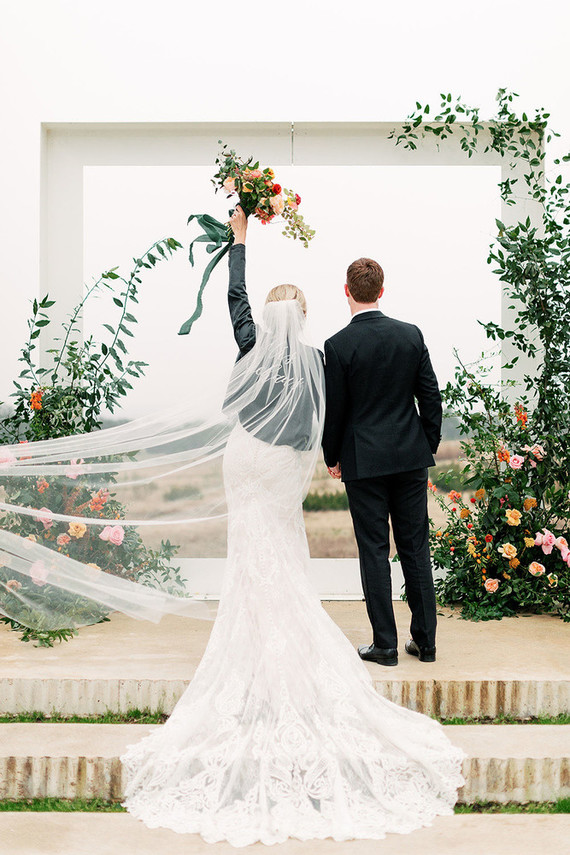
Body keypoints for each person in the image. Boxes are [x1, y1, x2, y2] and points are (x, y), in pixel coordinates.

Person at [119, 207, 464, 846]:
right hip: (320, 463)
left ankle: (367, 640)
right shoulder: (321, 354)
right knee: (378, 546)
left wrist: (240, 237)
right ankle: (418, 637)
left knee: (280, 550)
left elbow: (237, 302)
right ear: (307, 314)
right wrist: (380, 446)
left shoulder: (259, 347)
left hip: (246, 459)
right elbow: (344, 411)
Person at [322, 257, 442, 667]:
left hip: (364, 463)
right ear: (382, 290)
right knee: (416, 549)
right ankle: (426, 643)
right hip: (410, 459)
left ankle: (386, 646)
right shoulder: (410, 336)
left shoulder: (337, 345)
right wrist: (424, 445)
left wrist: (332, 456)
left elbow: (335, 410)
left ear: (347, 291)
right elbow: (431, 398)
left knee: (374, 552)